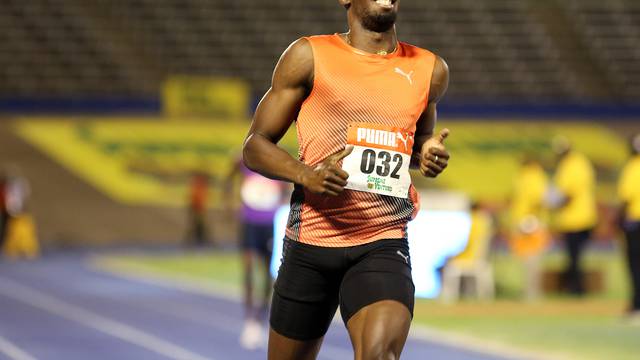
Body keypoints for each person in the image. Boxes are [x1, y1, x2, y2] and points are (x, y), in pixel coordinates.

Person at [242, 1, 451, 358]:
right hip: (311, 242)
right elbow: (255, 146)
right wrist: (307, 175)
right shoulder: (308, 56)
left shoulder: (429, 69)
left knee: (380, 354)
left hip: (381, 242)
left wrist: (427, 153)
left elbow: (417, 142)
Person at [226, 158, 287, 349]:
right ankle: (249, 320)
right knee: (248, 268)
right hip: (249, 223)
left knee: (268, 274)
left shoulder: (279, 159)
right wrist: (229, 203)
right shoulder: (244, 159)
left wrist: (283, 204)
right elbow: (228, 178)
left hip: (270, 224)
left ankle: (260, 317)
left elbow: (286, 187)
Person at [551, 137, 597, 295]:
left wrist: (554, 205)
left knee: (574, 256)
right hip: (584, 216)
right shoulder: (580, 162)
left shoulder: (571, 165)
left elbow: (568, 193)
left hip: (575, 218)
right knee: (575, 256)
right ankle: (575, 287)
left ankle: (576, 288)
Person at [508, 157, 550, 301]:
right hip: (530, 221)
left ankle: (530, 291)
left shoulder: (523, 177)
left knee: (528, 259)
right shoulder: (535, 176)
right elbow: (539, 199)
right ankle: (531, 292)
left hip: (523, 221)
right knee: (532, 259)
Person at [618, 133, 640, 319]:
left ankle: (637, 304)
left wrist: (618, 220)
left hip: (635, 222)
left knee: (634, 264)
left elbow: (626, 198)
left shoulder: (632, 168)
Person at [186, 172, 209, 247]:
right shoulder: (197, 187)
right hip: (197, 210)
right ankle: (189, 242)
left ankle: (200, 240)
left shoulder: (200, 187)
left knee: (198, 226)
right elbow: (194, 199)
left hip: (199, 210)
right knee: (195, 226)